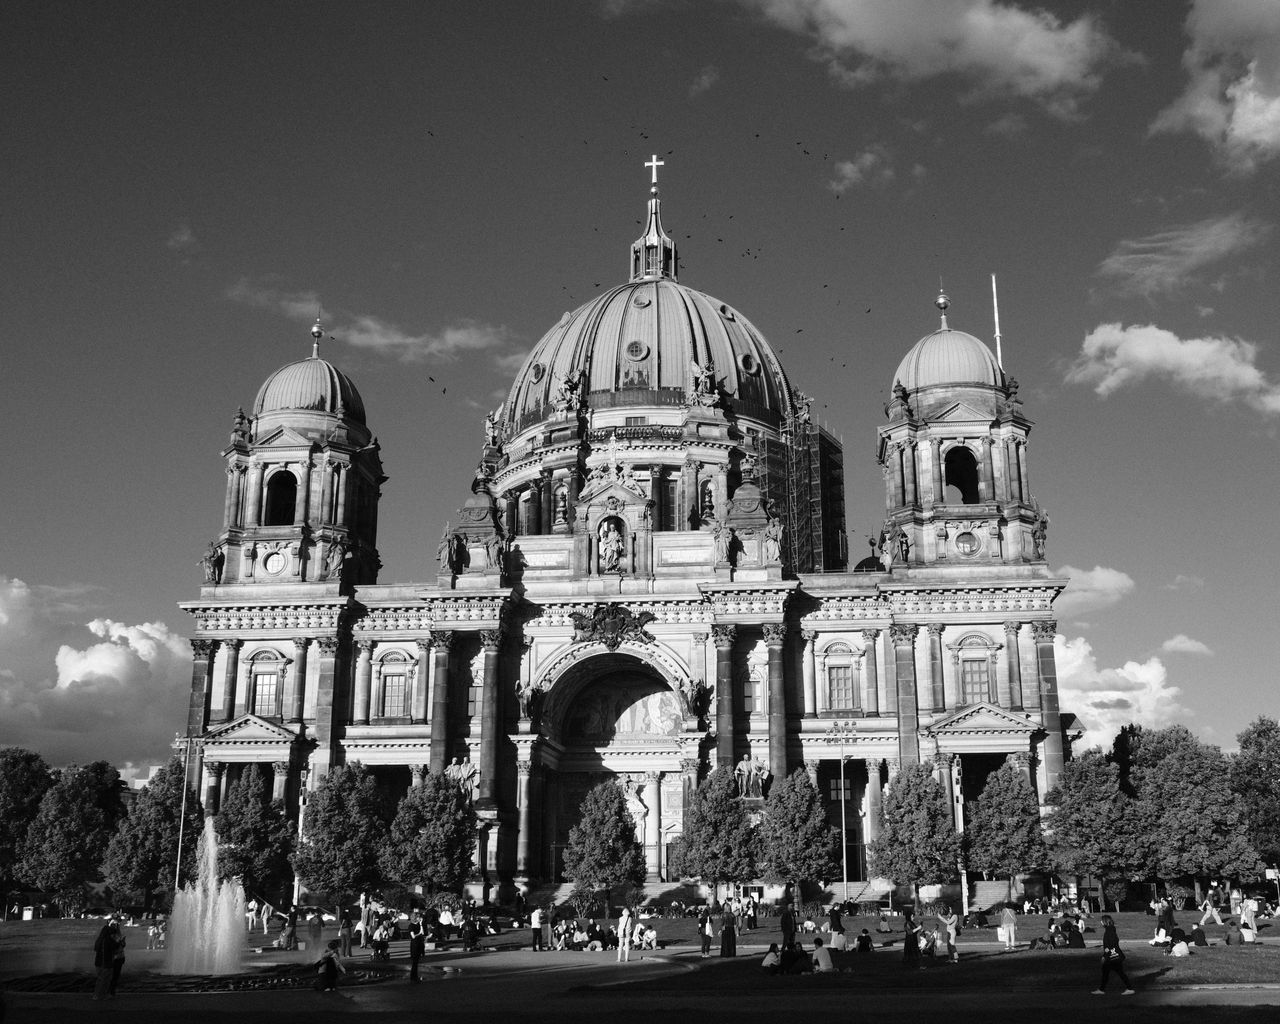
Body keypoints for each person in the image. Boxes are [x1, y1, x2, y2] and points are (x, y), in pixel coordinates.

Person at [1092, 915, 1135, 995]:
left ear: (1105, 921)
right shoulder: (1110, 929)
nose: (1101, 922)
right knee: (1109, 972)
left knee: (1116, 972)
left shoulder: (1110, 931)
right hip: (1113, 956)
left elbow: (1110, 945)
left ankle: (1129, 988)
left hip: (1112, 956)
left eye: (1102, 921)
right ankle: (1102, 989)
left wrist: (1105, 955)